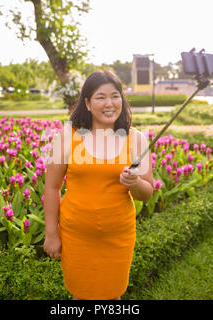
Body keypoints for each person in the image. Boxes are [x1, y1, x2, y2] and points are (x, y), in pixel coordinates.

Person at [43, 70, 154, 300]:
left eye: (115, 96)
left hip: (118, 236)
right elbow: (52, 188)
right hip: (76, 236)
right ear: (87, 102)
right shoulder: (66, 137)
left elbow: (147, 193)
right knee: (80, 294)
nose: (109, 103)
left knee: (112, 294)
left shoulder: (136, 140)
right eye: (100, 97)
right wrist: (52, 234)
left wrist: (135, 183)